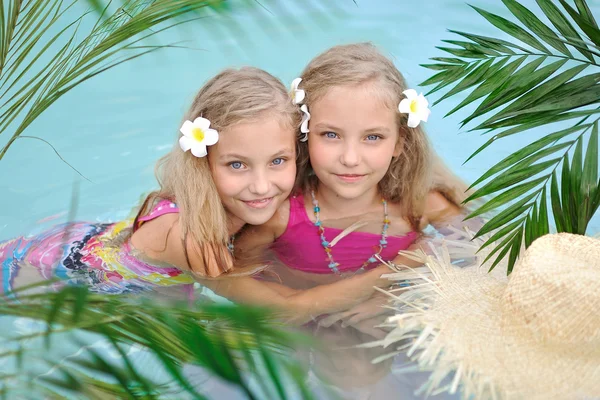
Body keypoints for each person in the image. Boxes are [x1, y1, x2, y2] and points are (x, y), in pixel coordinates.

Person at [0, 67, 392, 324]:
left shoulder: (251, 202)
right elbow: (284, 308)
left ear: (297, 154)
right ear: (203, 162)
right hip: (48, 276)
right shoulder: (192, 240)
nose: (260, 185)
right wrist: (396, 271)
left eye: (277, 161)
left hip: (92, 243)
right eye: (237, 165)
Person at [237, 43, 466, 281]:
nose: (350, 159)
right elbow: (240, 283)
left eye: (372, 137)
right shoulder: (278, 218)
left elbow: (487, 256)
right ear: (304, 134)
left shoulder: (420, 207)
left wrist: (419, 264)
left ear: (399, 142)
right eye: (331, 135)